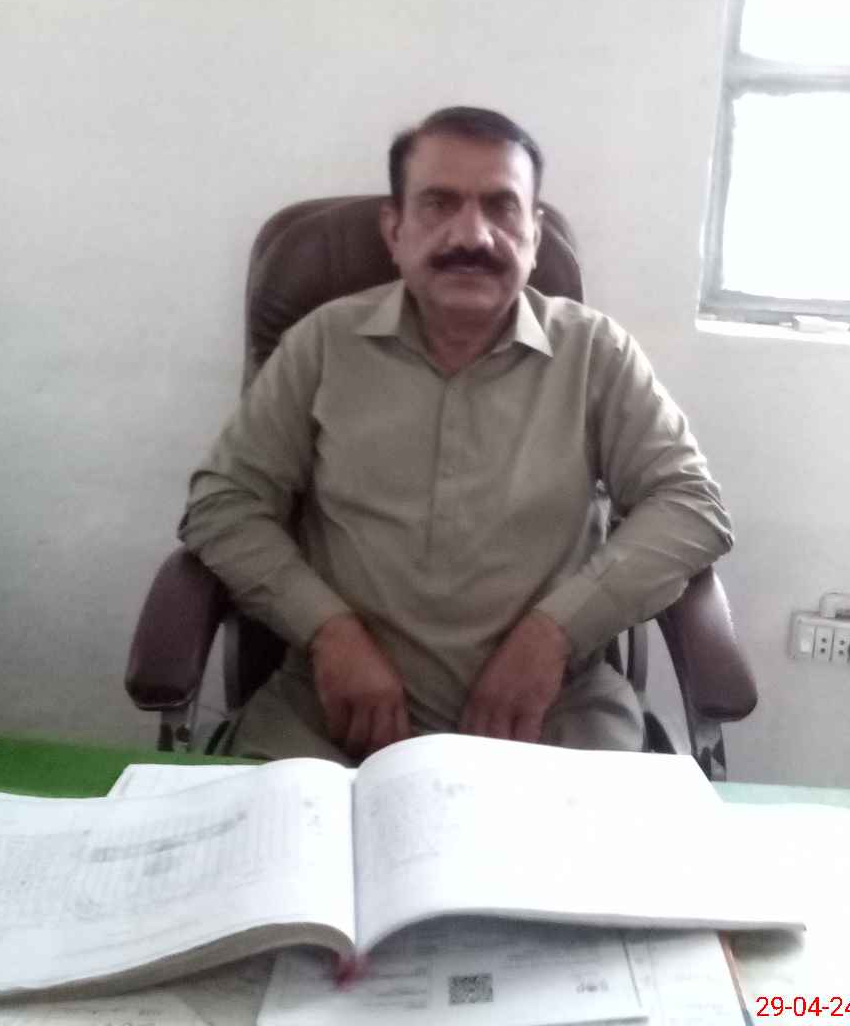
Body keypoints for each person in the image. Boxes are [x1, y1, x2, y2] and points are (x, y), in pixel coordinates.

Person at [180, 106, 733, 764]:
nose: (472, 235)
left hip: (550, 721)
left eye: (501, 208)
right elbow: (223, 503)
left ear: (534, 235)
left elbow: (690, 506)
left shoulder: (596, 353)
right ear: (395, 229)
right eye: (439, 205)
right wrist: (328, 632)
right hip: (329, 723)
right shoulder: (322, 345)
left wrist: (554, 635)